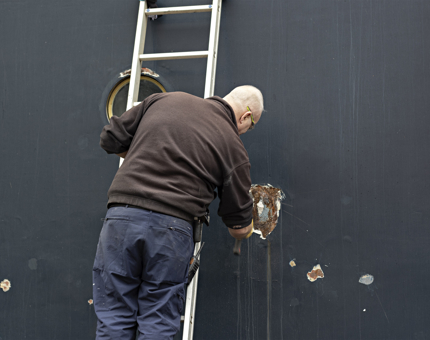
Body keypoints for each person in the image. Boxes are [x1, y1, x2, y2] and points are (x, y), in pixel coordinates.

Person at [93, 85, 264, 339]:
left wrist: (144, 153)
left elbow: (110, 138)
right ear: (246, 117)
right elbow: (238, 223)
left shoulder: (162, 100)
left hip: (122, 218)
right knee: (157, 319)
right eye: (249, 128)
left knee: (114, 315)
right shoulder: (232, 143)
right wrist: (247, 231)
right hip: (171, 229)